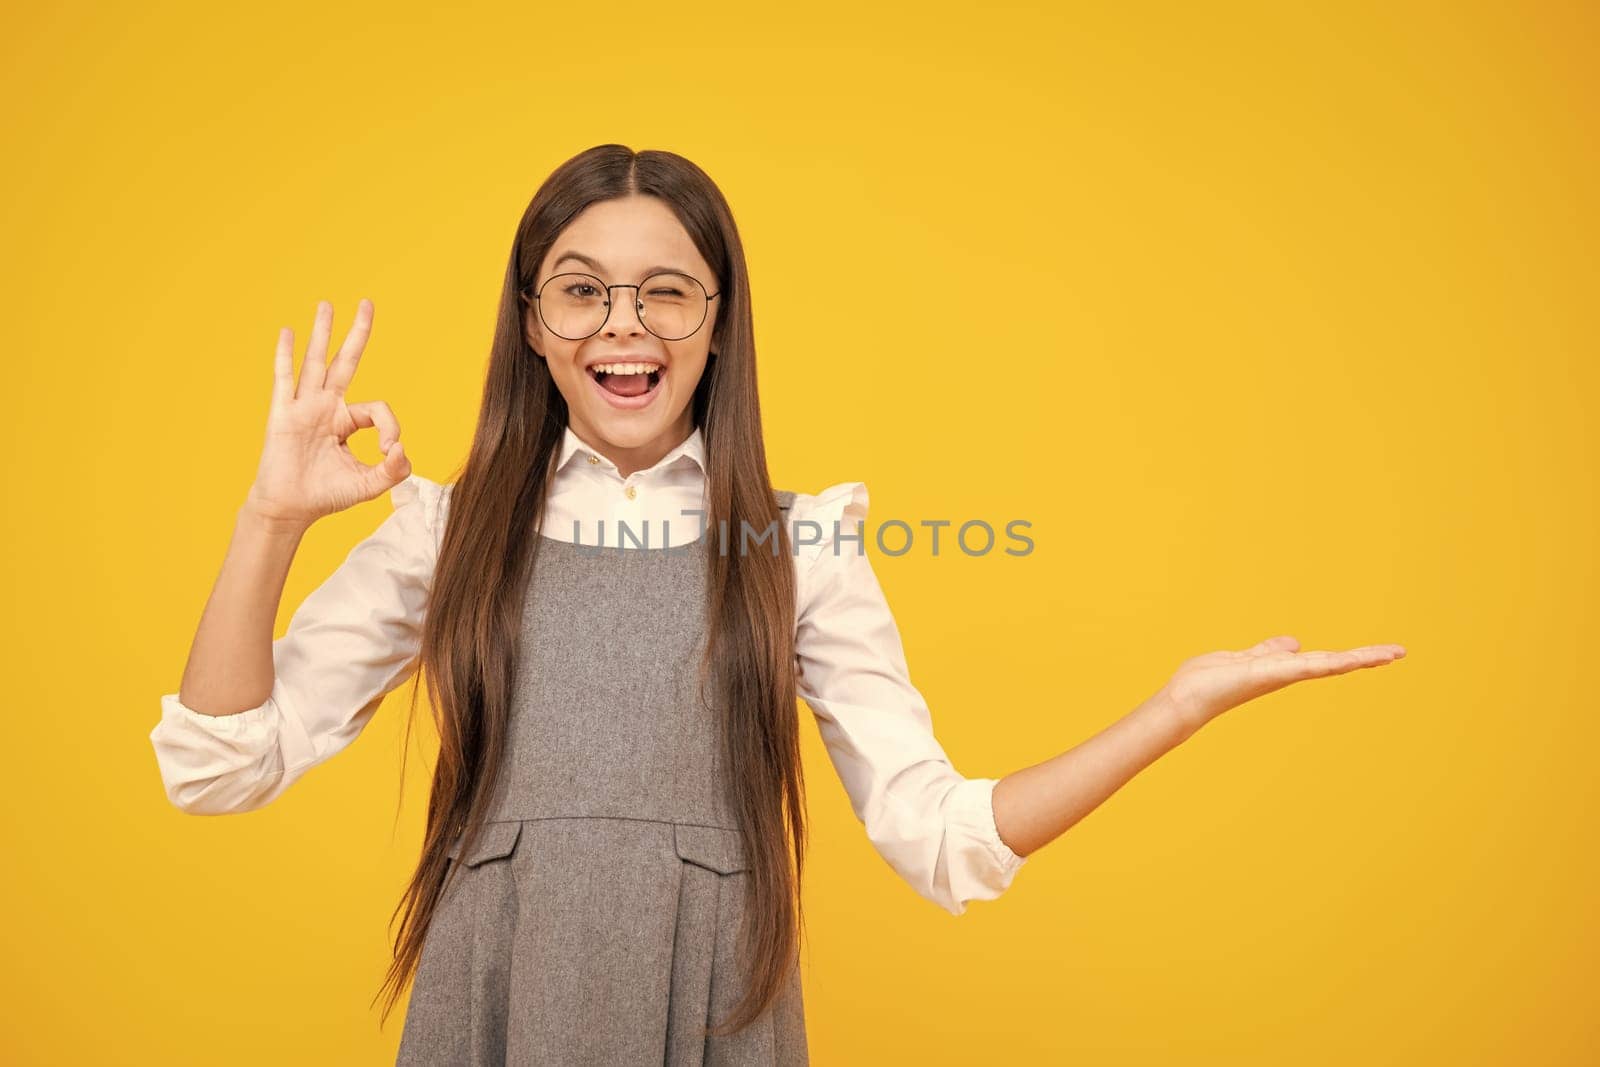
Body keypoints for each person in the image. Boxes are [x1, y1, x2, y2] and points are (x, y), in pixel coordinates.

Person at [148, 144, 1407, 1064]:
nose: (622, 324)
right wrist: (270, 522)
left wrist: (1172, 709)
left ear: (716, 320)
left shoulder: (801, 544)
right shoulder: (445, 525)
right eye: (580, 289)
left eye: (667, 290)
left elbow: (941, 836)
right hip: (492, 1011)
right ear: (532, 325)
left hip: (714, 1015)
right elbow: (219, 766)